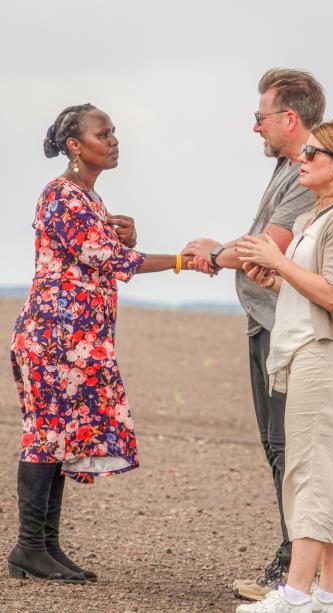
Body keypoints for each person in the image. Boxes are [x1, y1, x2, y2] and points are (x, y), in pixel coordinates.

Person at [8, 104, 194, 583]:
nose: (113, 140)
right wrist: (181, 260)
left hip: (74, 343)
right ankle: (29, 546)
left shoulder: (86, 197)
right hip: (55, 340)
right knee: (46, 437)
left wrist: (128, 237)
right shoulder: (64, 197)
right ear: (75, 145)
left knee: (58, 439)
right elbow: (111, 260)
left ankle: (45, 547)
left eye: (113, 132)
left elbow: (105, 254)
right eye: (103, 133)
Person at [182, 69, 325, 600]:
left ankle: (296, 577)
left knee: (290, 450)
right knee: (277, 448)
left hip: (286, 330)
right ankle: (294, 570)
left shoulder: (311, 170)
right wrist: (221, 252)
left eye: (260, 117)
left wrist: (210, 256)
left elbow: (271, 246)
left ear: (289, 118)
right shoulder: (292, 166)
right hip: (266, 323)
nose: (255, 128)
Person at [234, 119, 333, 613]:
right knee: (326, 474)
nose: (302, 158)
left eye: (312, 153)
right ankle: (328, 595)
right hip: (305, 351)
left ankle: (294, 595)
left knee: (310, 472)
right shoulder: (321, 215)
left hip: (327, 354)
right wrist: (275, 277)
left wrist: (278, 263)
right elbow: (310, 293)